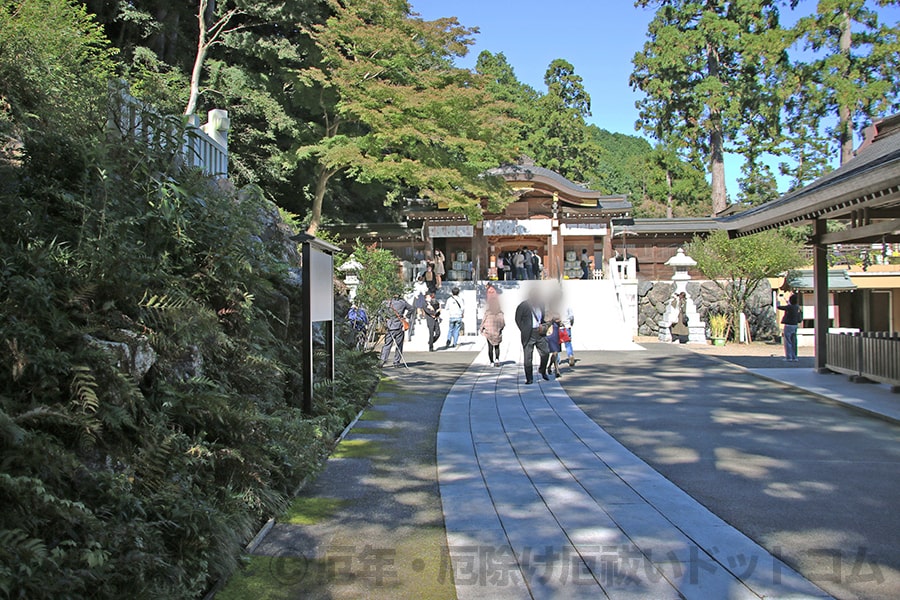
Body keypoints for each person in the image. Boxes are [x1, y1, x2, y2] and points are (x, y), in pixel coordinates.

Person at [515, 289, 550, 384]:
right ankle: (529, 378)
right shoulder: (523, 306)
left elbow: (543, 317)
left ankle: (542, 370)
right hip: (528, 334)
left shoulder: (541, 304)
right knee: (528, 357)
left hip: (539, 333)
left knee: (546, 352)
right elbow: (518, 319)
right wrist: (524, 329)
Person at [380, 293, 413, 367]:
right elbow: (411, 308)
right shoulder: (402, 303)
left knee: (387, 344)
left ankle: (382, 360)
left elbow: (380, 312)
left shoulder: (385, 303)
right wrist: (406, 316)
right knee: (399, 345)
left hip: (390, 325)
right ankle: (396, 361)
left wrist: (384, 320)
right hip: (399, 325)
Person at [481, 297, 505, 367]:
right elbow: (503, 323)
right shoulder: (500, 313)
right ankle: (497, 359)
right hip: (497, 331)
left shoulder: (487, 312)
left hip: (489, 332)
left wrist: (482, 328)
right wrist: (501, 328)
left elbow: (483, 321)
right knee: (497, 346)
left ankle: (491, 361)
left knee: (490, 347)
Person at [777, 294, 802, 362]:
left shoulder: (789, 307)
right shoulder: (797, 307)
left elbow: (779, 307)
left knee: (788, 341)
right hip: (795, 325)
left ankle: (789, 357)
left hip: (788, 325)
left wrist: (778, 300)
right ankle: (795, 356)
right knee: (794, 341)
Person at [546, 313, 563, 377]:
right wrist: (552, 319)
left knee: (555, 353)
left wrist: (559, 321)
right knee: (553, 353)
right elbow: (545, 319)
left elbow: (560, 320)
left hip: (556, 333)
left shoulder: (557, 311)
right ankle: (554, 369)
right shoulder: (547, 311)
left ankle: (552, 367)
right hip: (549, 333)